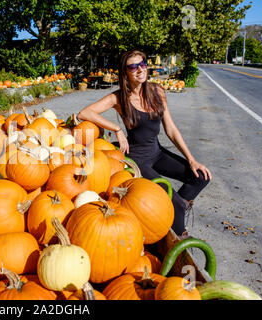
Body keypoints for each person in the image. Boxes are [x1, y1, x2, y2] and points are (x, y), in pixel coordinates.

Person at [77, 49, 212, 238]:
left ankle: (169, 215)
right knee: (177, 204)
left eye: (143, 64)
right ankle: (179, 237)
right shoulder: (119, 98)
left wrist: (191, 160)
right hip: (138, 161)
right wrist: (116, 128)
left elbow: (171, 129)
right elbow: (84, 113)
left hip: (157, 153)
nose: (140, 70)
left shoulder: (157, 92)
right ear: (125, 72)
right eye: (133, 67)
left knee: (200, 178)